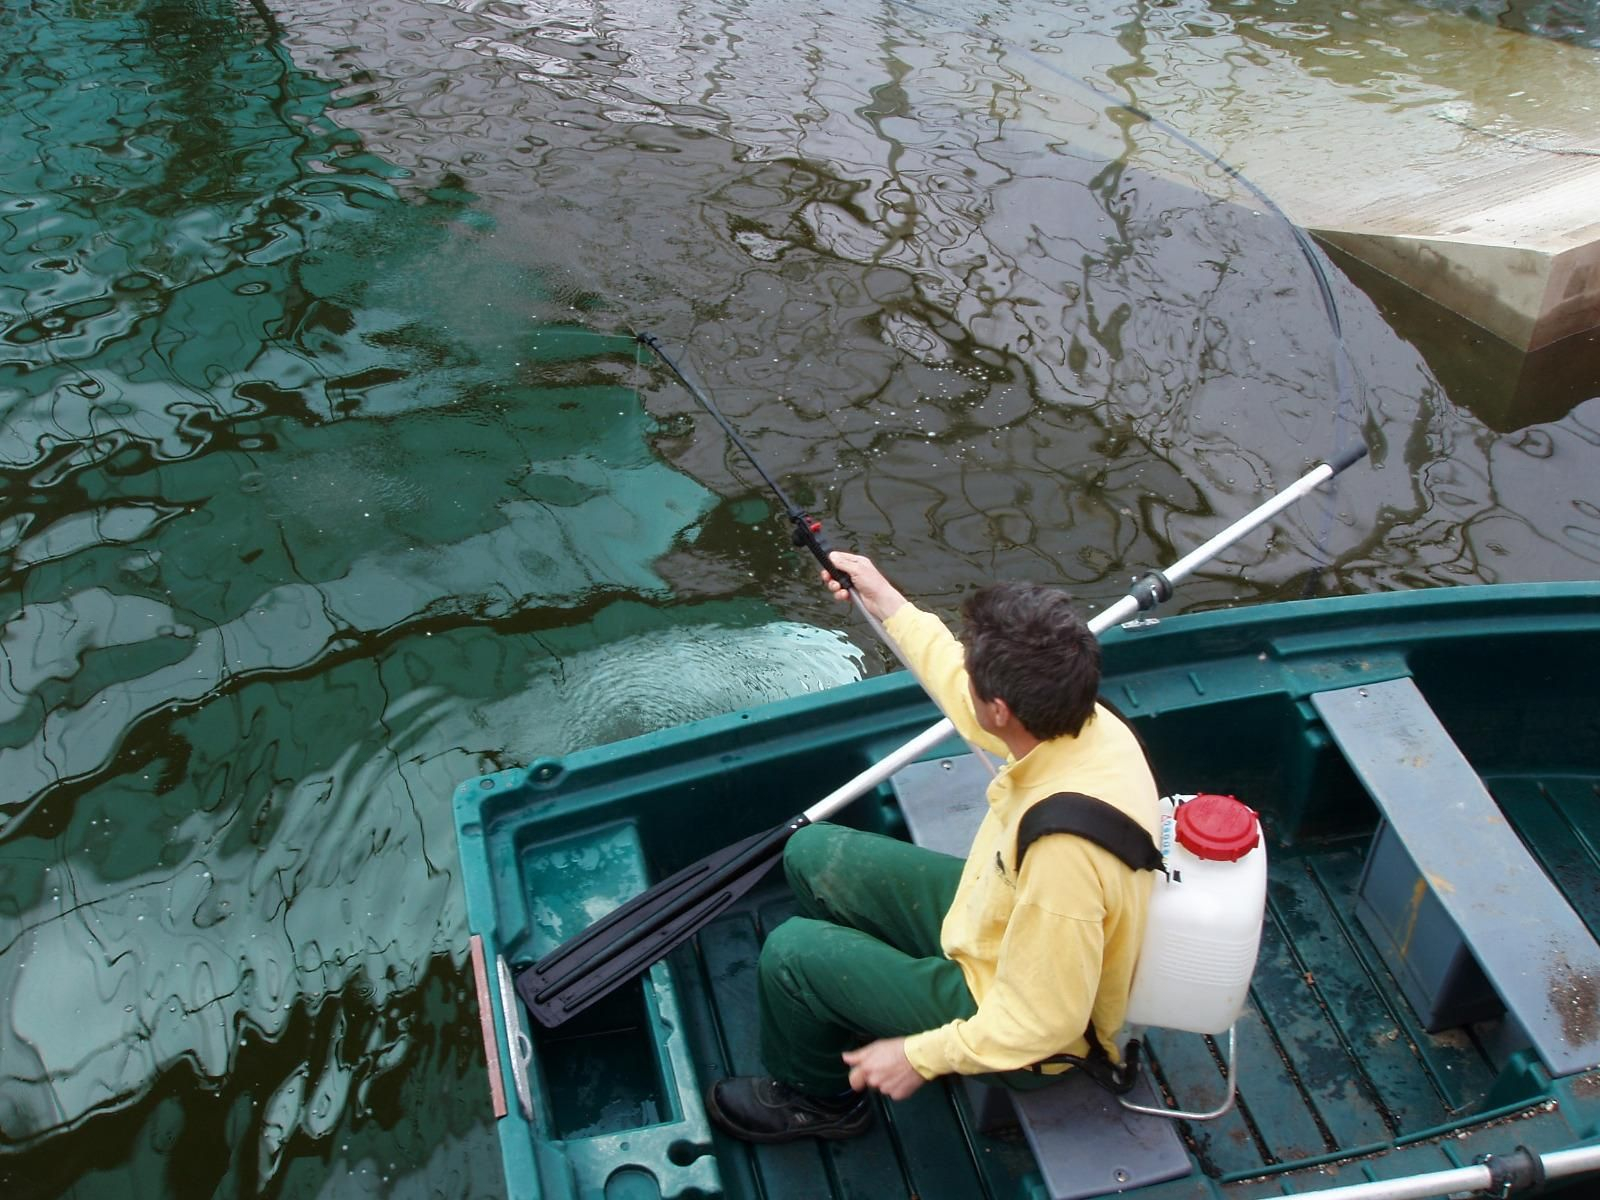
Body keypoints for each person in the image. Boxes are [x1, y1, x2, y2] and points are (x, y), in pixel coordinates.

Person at [705, 551, 1161, 1143]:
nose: (964, 676)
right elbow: (960, 689)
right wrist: (886, 600)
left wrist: (920, 1056)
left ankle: (819, 1100)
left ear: (1001, 708)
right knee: (813, 854)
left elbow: (1045, 1022)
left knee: (791, 955)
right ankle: (854, 1000)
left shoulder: (1064, 860)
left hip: (1015, 1023)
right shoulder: (1083, 722)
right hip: (997, 925)